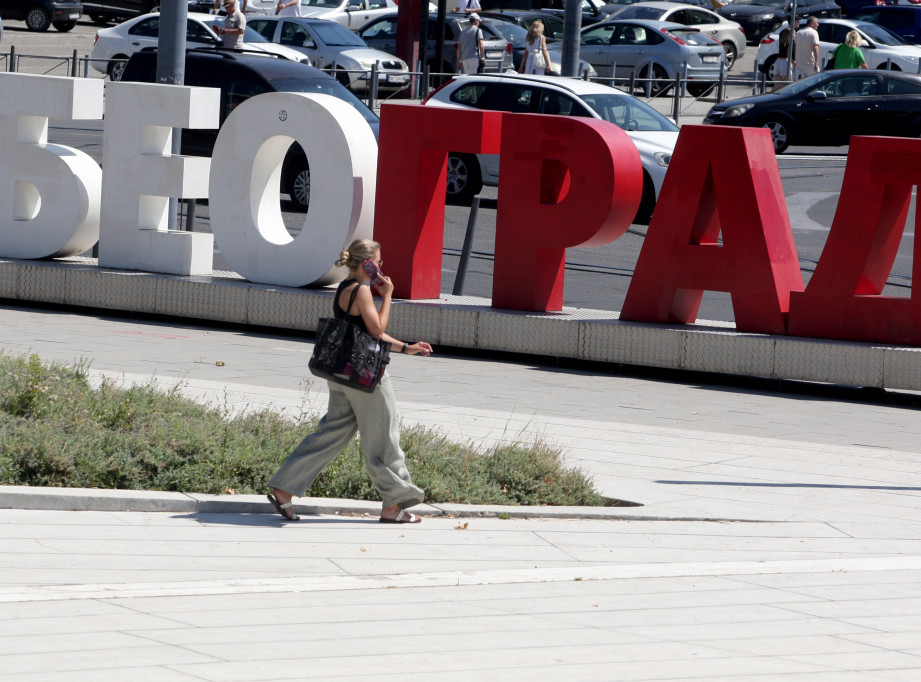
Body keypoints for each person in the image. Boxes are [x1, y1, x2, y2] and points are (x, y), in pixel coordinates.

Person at [267, 239, 434, 524]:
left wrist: (407, 348)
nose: (381, 268)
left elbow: (364, 333)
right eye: (378, 263)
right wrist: (389, 295)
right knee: (384, 440)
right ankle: (394, 505)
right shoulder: (362, 291)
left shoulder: (344, 288)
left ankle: (284, 488)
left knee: (329, 435)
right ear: (366, 263)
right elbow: (377, 331)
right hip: (367, 380)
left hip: (342, 376)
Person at [794, 16, 820, 80]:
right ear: (812, 24)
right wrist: (816, 63)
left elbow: (795, 47)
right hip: (810, 63)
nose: (818, 25)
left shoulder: (799, 32)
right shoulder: (813, 32)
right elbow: (815, 48)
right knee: (816, 82)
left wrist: (796, 59)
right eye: (817, 23)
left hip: (800, 63)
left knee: (801, 84)